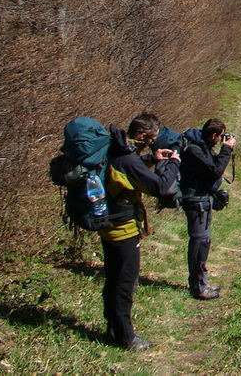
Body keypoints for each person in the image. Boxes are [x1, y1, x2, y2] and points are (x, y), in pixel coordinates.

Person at [100, 112, 180, 350]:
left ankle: (114, 327)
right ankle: (125, 337)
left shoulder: (117, 150)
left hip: (109, 225)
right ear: (143, 135)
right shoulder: (128, 160)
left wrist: (151, 160)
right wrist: (173, 164)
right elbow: (162, 188)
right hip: (123, 230)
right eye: (152, 139)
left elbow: (127, 172)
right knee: (125, 283)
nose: (153, 143)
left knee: (113, 280)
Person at [179, 118, 235, 300]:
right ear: (213, 135)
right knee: (200, 243)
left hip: (201, 201)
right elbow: (215, 171)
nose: (220, 140)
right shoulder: (194, 150)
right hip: (196, 202)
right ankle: (198, 287)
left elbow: (212, 168)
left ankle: (201, 282)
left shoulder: (202, 147)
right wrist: (226, 150)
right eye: (220, 137)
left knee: (203, 241)